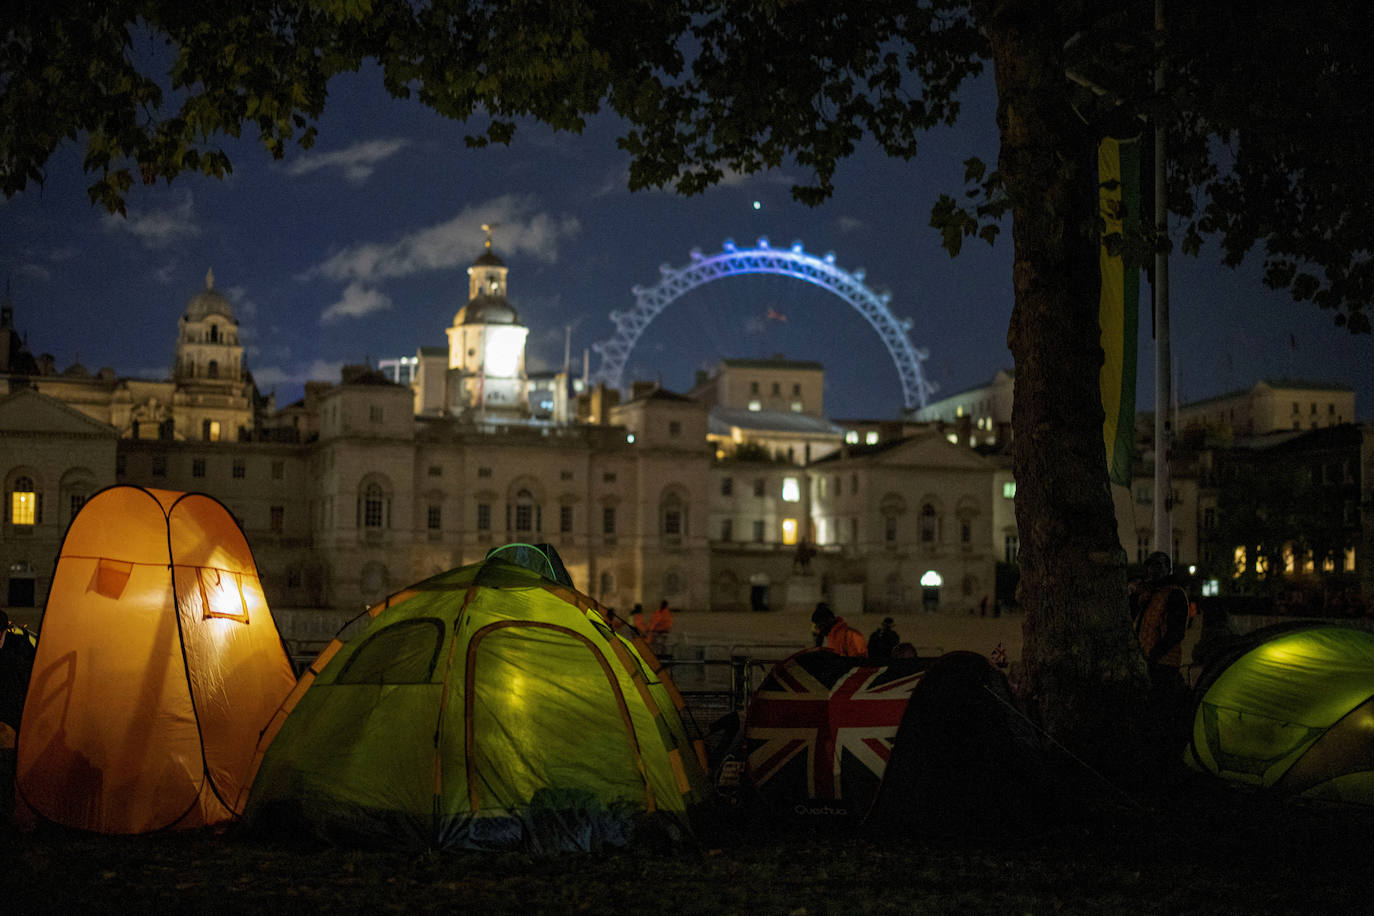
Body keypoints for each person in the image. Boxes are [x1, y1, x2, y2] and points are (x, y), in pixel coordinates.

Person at [1132, 551, 1190, 702]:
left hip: (1163, 665)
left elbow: (1176, 632)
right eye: (1150, 566)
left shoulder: (1174, 594)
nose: (1152, 570)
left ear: (1167, 569)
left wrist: (1153, 654)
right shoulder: (1152, 593)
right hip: (1150, 662)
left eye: (1157, 566)